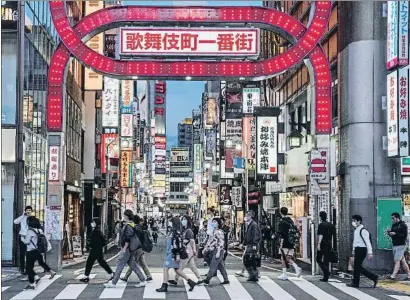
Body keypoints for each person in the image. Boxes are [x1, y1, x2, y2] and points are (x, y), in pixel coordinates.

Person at [104, 210, 147, 288]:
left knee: (120, 264)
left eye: (124, 215)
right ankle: (143, 280)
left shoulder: (128, 226)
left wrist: (124, 248)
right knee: (133, 265)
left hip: (127, 249)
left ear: (126, 216)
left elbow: (127, 238)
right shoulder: (133, 225)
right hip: (132, 249)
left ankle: (114, 282)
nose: (123, 217)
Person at [156, 217, 197, 292]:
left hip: (173, 254)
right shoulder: (174, 231)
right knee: (177, 270)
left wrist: (177, 255)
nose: (169, 223)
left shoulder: (176, 232)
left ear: (174, 223)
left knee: (166, 267)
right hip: (171, 253)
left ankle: (164, 285)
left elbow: (178, 245)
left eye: (171, 222)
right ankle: (191, 282)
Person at [22, 216, 56, 290]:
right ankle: (50, 272)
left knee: (29, 268)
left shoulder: (30, 231)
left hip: (30, 251)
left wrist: (22, 238)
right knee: (41, 262)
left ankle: (32, 284)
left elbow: (27, 242)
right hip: (38, 250)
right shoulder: (39, 230)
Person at [169, 215, 202, 286]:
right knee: (192, 266)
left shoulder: (188, 230)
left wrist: (194, 250)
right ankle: (200, 279)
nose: (183, 221)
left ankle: (176, 280)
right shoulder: (184, 230)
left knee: (180, 266)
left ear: (188, 221)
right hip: (188, 250)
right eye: (182, 219)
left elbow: (192, 241)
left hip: (187, 250)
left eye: (184, 219)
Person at [348, 215, 378, 288]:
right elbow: (355, 242)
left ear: (359, 221)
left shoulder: (363, 230)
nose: (353, 222)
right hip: (357, 250)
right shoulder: (356, 230)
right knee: (357, 266)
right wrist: (353, 250)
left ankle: (373, 277)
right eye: (353, 221)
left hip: (362, 250)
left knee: (357, 266)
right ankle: (356, 282)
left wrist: (370, 252)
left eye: (354, 221)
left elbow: (368, 242)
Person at [120, 214, 153, 282]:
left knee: (133, 262)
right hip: (141, 248)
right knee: (142, 263)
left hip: (136, 248)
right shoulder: (141, 228)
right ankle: (149, 275)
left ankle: (126, 276)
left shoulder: (134, 228)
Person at [80, 218, 113, 282]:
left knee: (90, 263)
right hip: (98, 250)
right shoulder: (98, 231)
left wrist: (89, 245)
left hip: (95, 250)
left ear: (95, 223)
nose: (92, 223)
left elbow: (94, 242)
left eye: (93, 222)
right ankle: (111, 274)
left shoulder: (95, 231)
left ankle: (86, 276)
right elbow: (103, 242)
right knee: (101, 262)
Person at [202, 218, 229, 285]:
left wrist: (218, 252)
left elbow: (221, 243)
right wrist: (205, 249)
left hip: (217, 250)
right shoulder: (213, 231)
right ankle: (226, 280)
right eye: (213, 221)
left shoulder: (219, 232)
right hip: (213, 250)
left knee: (213, 266)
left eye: (215, 222)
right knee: (221, 266)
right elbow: (209, 242)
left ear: (218, 223)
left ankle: (207, 280)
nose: (213, 223)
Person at [277, 207, 302, 281]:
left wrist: (281, 244)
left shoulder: (281, 222)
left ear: (281, 213)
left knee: (283, 258)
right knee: (288, 258)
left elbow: (282, 234)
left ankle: (284, 274)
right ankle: (296, 267)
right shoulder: (291, 221)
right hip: (292, 242)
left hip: (285, 242)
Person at [387, 212, 410, 280]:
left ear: (397, 218)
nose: (392, 220)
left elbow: (404, 236)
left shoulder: (403, 225)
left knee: (397, 260)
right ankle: (409, 275)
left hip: (401, 245)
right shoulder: (393, 225)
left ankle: (393, 275)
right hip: (395, 245)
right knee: (403, 261)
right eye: (391, 218)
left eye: (393, 218)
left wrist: (395, 234)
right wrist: (389, 233)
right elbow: (393, 236)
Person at [14, 206, 33, 276]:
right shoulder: (22, 218)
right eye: (27, 210)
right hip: (22, 237)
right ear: (25, 211)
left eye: (29, 210)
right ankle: (22, 268)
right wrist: (23, 215)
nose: (28, 211)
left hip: (29, 238)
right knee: (22, 253)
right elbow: (15, 222)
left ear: (31, 211)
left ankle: (28, 269)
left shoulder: (32, 219)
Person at [242, 211, 261, 282]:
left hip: (252, 245)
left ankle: (254, 275)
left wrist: (254, 245)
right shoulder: (250, 224)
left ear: (250, 216)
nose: (245, 217)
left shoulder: (254, 225)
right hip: (250, 245)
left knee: (249, 260)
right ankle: (253, 275)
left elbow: (255, 236)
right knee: (248, 260)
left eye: (247, 215)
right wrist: (244, 243)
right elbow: (247, 236)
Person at [316, 211, 335, 282]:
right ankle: (325, 277)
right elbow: (332, 236)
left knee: (318, 259)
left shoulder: (321, 225)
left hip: (322, 243)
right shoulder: (331, 225)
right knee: (326, 260)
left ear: (320, 217)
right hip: (329, 243)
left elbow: (321, 235)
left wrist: (318, 244)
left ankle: (326, 271)